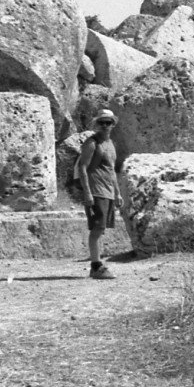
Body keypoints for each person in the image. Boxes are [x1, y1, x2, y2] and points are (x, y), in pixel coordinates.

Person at [75, 109, 120, 279]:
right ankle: (96, 266)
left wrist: (117, 193)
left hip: (107, 191)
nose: (104, 126)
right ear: (96, 124)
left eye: (108, 122)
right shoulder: (91, 143)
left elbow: (111, 170)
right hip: (96, 190)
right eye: (101, 122)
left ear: (113, 124)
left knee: (101, 229)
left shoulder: (110, 144)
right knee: (97, 228)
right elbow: (83, 167)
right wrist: (87, 193)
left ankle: (98, 263)